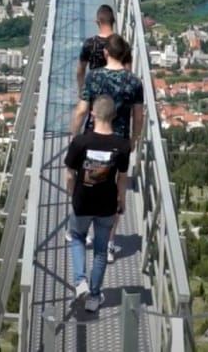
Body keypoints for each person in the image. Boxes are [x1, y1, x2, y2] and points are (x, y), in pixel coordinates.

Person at [70, 34, 143, 263]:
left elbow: (82, 110)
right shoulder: (134, 82)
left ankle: (88, 231)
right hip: (120, 142)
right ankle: (109, 241)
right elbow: (138, 116)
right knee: (115, 188)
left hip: (94, 138)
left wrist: (75, 137)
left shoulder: (94, 77)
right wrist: (134, 139)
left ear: (105, 53)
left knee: (92, 182)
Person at [65, 95, 131, 312]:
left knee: (77, 238)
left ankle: (80, 281)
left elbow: (70, 174)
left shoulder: (80, 142)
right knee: (101, 251)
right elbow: (122, 177)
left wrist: (72, 194)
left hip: (82, 202)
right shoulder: (122, 146)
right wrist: (121, 200)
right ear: (113, 116)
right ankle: (94, 297)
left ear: (92, 114)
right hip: (107, 205)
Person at [76, 5, 117, 100]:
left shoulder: (90, 43)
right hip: (115, 97)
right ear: (113, 21)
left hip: (95, 96)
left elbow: (80, 70)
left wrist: (81, 92)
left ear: (97, 22)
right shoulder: (122, 44)